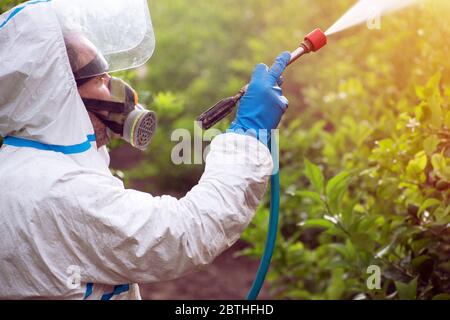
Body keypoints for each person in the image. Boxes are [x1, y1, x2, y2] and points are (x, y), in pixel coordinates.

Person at [0, 1, 290, 299]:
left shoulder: (20, 167)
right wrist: (248, 136)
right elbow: (184, 233)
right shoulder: (61, 188)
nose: (118, 89)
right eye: (99, 79)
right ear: (56, 95)